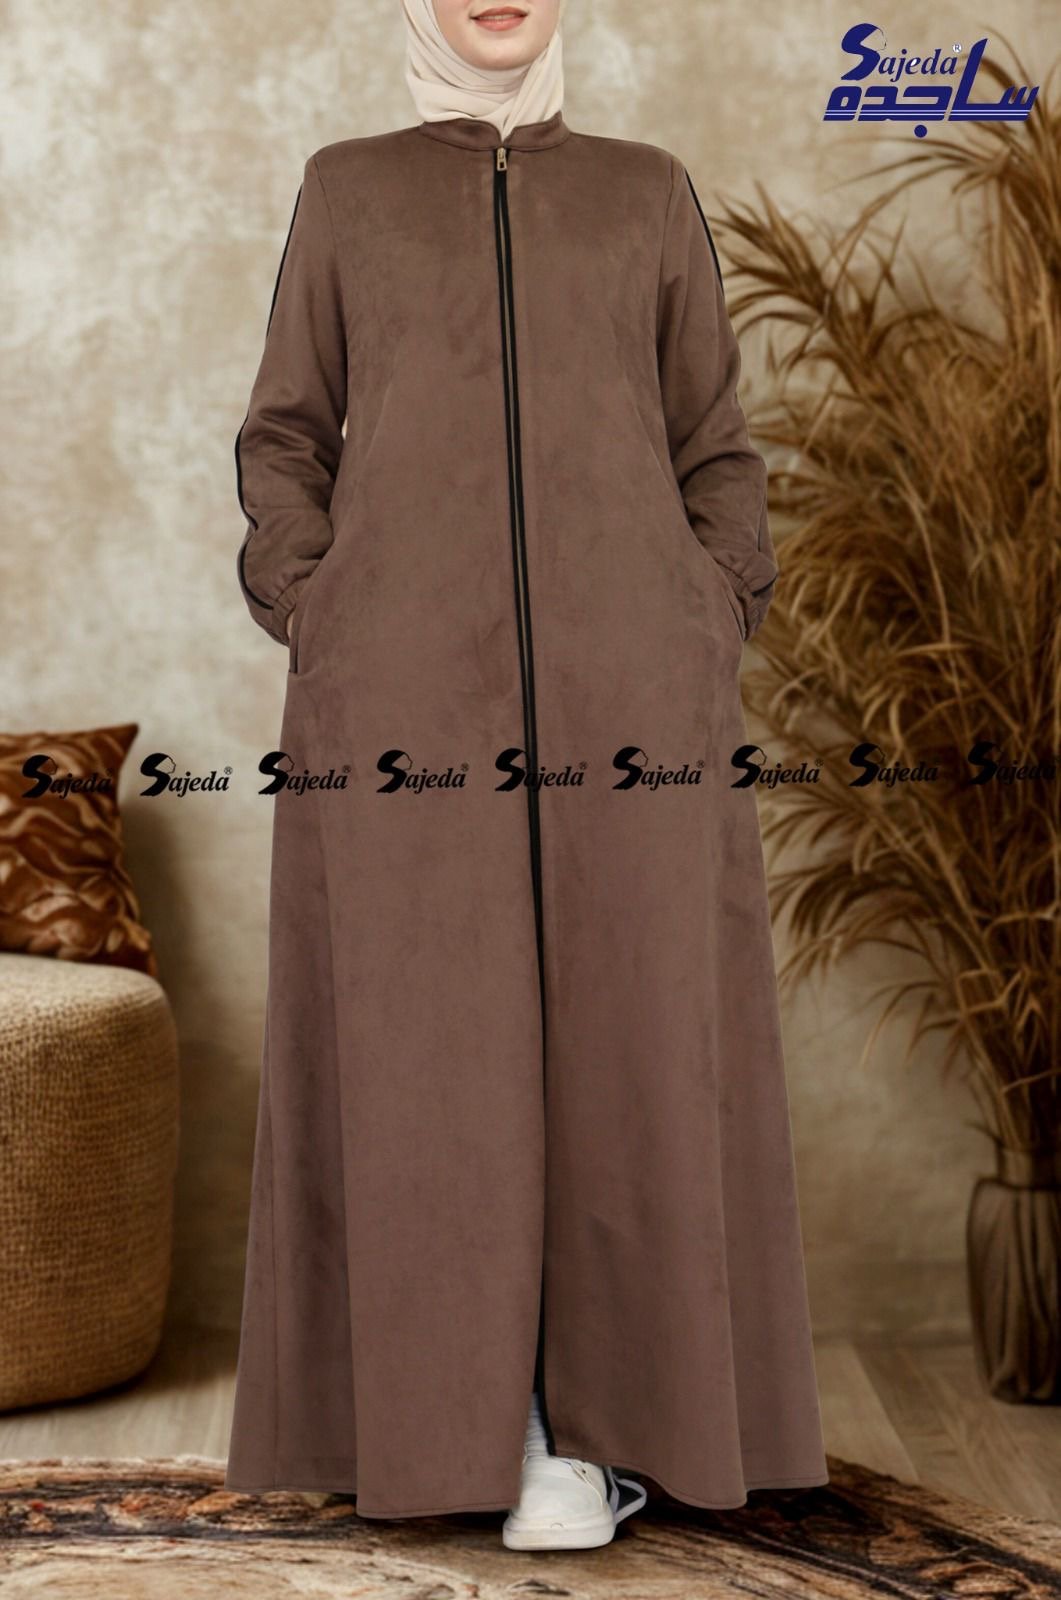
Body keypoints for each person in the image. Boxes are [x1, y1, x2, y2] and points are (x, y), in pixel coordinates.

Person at [224, 0, 830, 1553]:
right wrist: (322, 604)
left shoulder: (643, 192)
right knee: (430, 1057)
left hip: (638, 699)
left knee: (634, 1044)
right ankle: (470, 1426)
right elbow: (284, 436)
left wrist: (710, 608)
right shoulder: (349, 190)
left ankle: (602, 1429)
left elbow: (714, 445)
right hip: (402, 700)